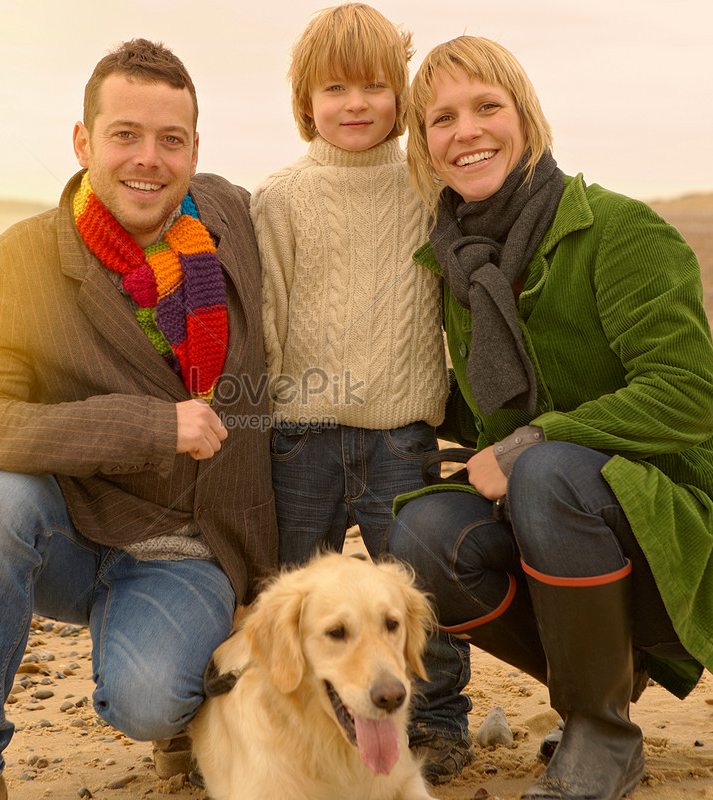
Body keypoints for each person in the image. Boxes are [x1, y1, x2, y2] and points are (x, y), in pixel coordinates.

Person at [385, 35, 713, 799]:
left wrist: (527, 444)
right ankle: (605, 684)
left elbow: (686, 396)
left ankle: (602, 734)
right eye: (442, 119)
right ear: (424, 145)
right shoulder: (461, 263)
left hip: (689, 535)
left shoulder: (623, 232)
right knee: (422, 533)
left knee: (544, 469)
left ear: (528, 116)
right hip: (575, 523)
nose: (467, 131)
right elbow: (488, 403)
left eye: (488, 106)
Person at [0, 39, 278, 800]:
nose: (147, 159)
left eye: (170, 140)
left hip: (193, 547)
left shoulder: (234, 219)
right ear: (84, 141)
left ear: (194, 150)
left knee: (149, 702)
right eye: (124, 135)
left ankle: (171, 687)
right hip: (74, 533)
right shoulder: (18, 264)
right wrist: (147, 425)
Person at [251, 6, 468, 781]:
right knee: (292, 600)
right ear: (305, 99)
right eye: (334, 87)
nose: (355, 104)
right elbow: (266, 315)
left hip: (400, 434)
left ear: (401, 96)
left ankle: (440, 723)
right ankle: (288, 727)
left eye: (376, 86)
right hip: (300, 435)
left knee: (414, 596)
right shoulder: (279, 198)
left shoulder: (428, 185)